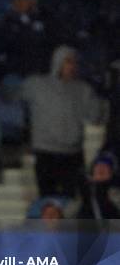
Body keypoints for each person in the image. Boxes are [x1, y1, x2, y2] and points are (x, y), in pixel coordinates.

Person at [20, 45, 105, 197]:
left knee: (72, 201)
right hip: (46, 153)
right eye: (68, 61)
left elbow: (96, 117)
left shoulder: (83, 90)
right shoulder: (37, 85)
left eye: (74, 62)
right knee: (47, 201)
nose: (72, 66)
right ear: (57, 62)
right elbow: (14, 99)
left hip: (72, 155)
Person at [0, 0, 55, 77]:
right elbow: (5, 46)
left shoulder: (43, 18)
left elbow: (48, 43)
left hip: (39, 71)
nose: (19, 2)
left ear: (32, 2)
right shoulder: (6, 21)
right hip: (14, 72)